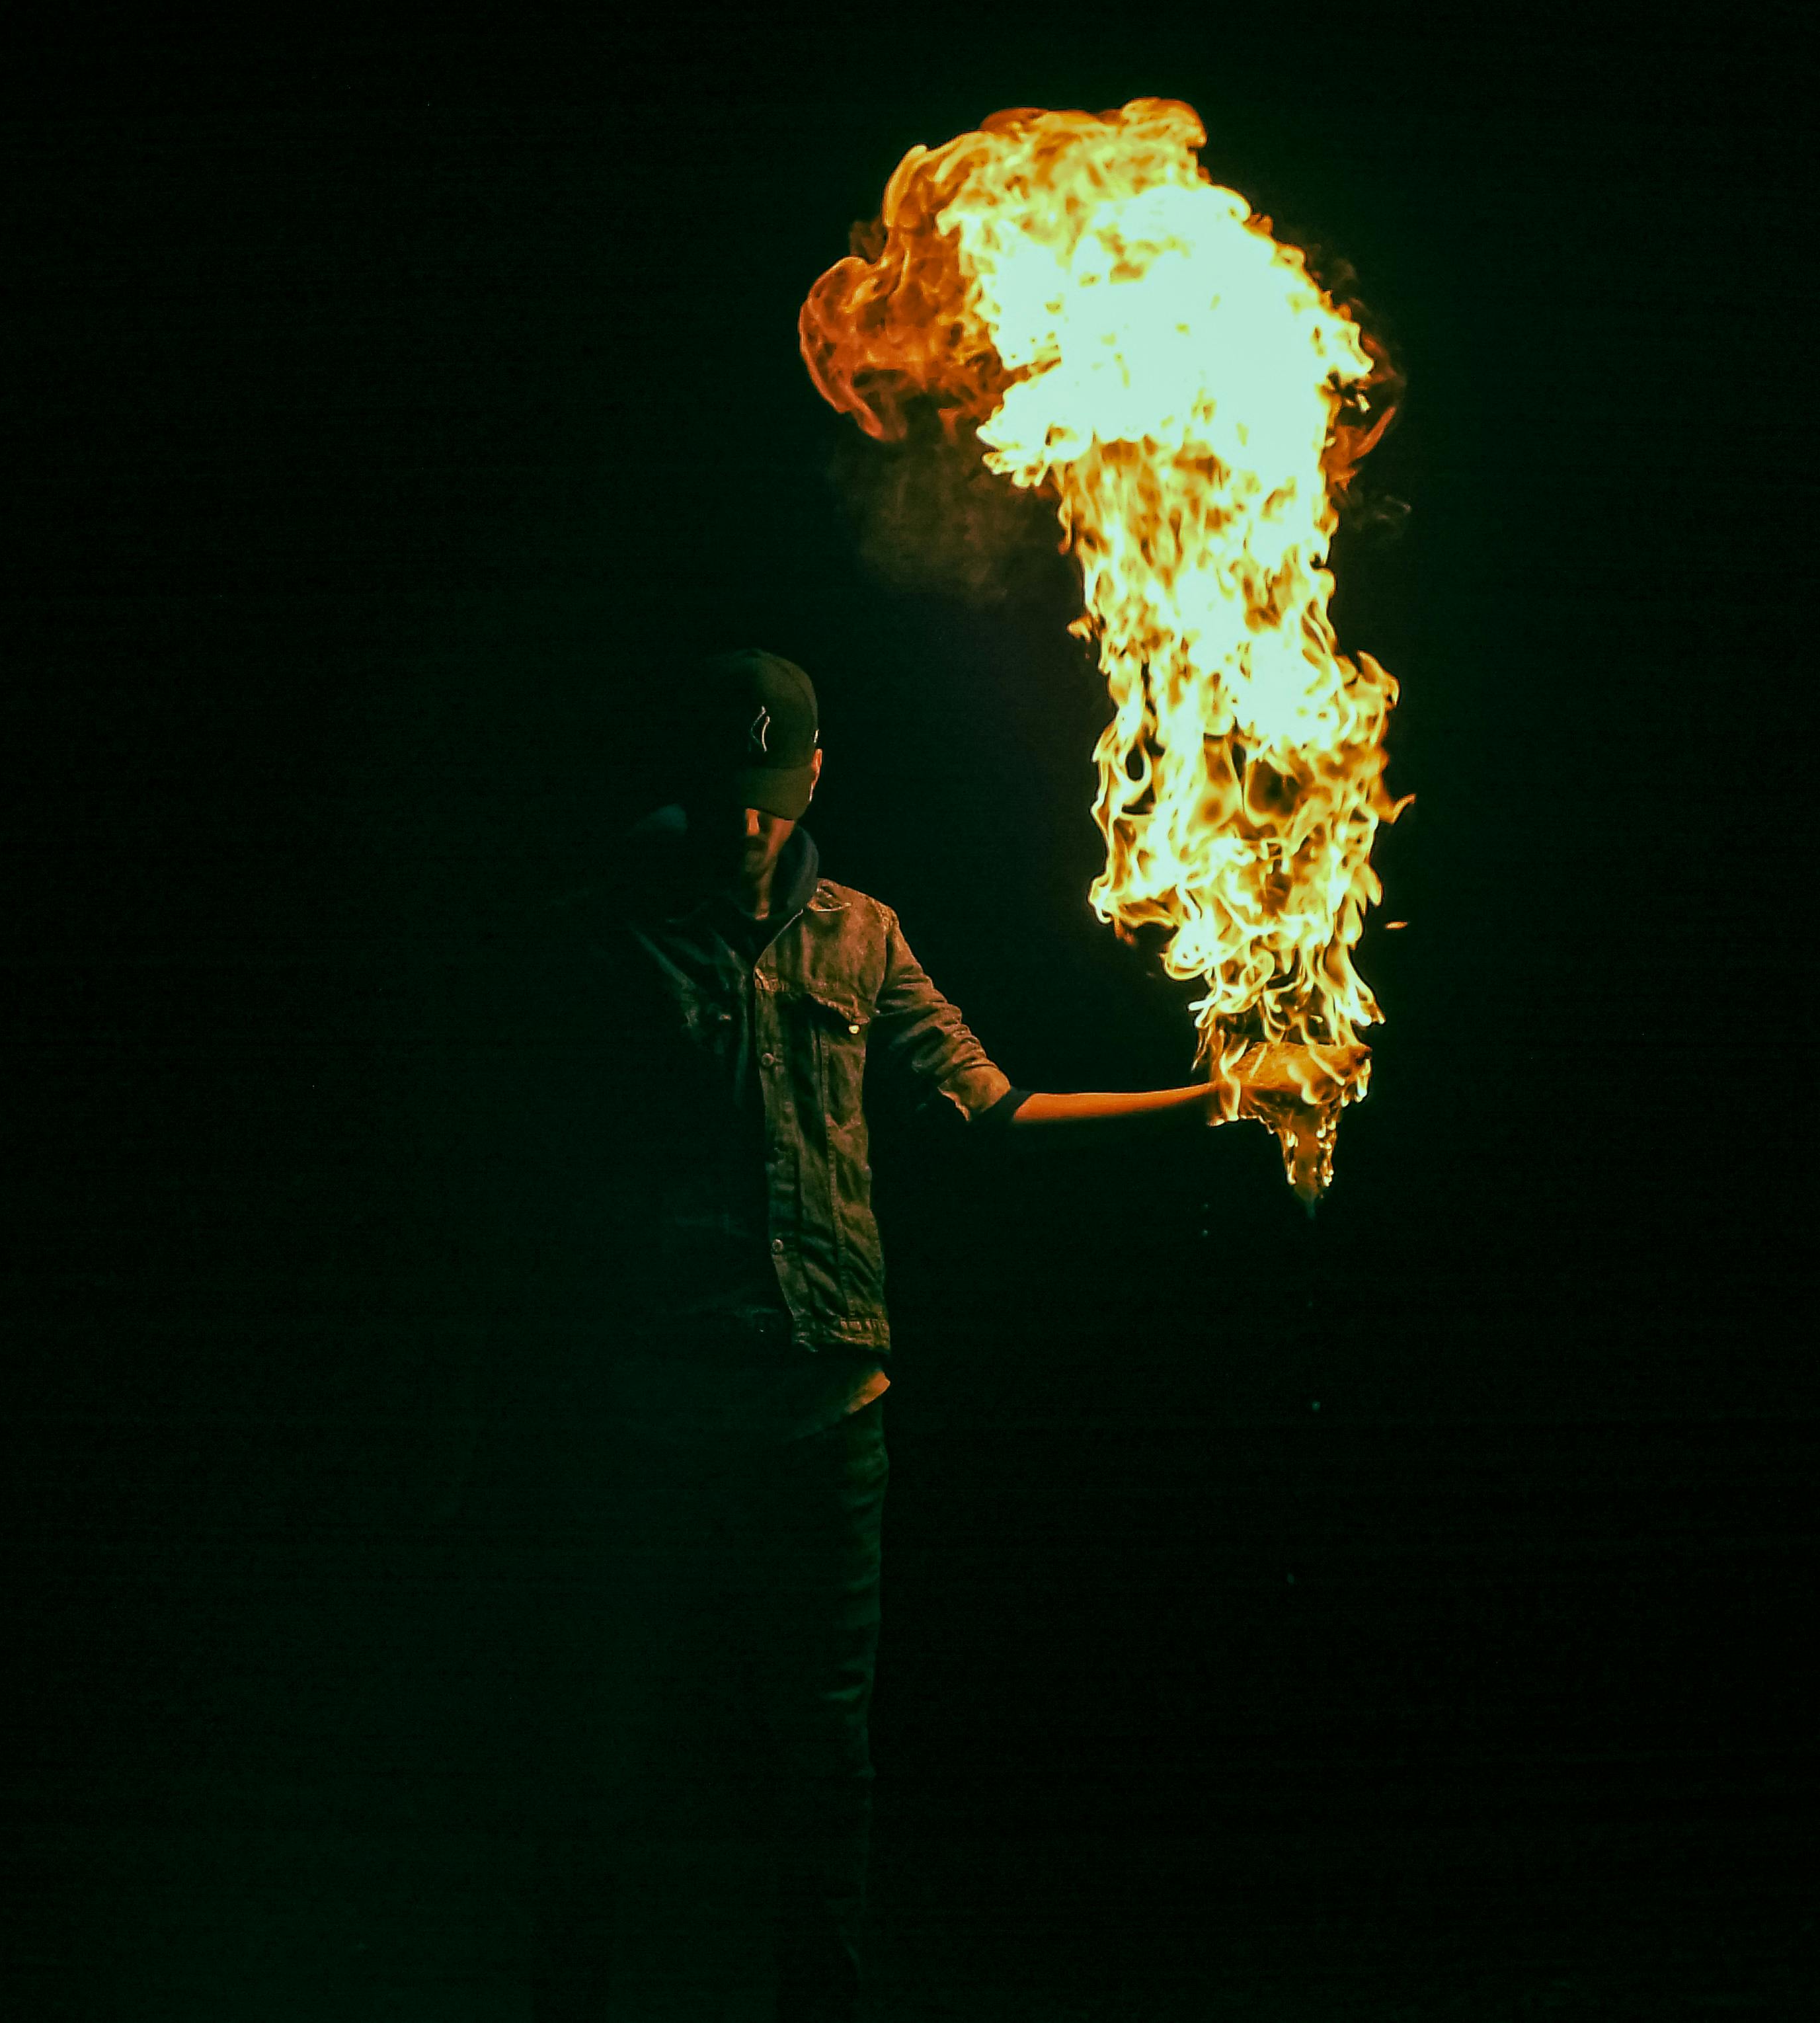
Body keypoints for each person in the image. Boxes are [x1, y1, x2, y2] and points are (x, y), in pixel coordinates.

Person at [520, 649, 1266, 2023]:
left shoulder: (864, 936)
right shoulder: (599, 936)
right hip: (656, 1423)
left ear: (811, 776)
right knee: (600, 1753)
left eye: (769, 795)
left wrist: (1216, 1098)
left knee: (827, 1763)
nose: (748, 826)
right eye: (722, 796)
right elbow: (532, 1182)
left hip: (830, 1426)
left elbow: (993, 1107)